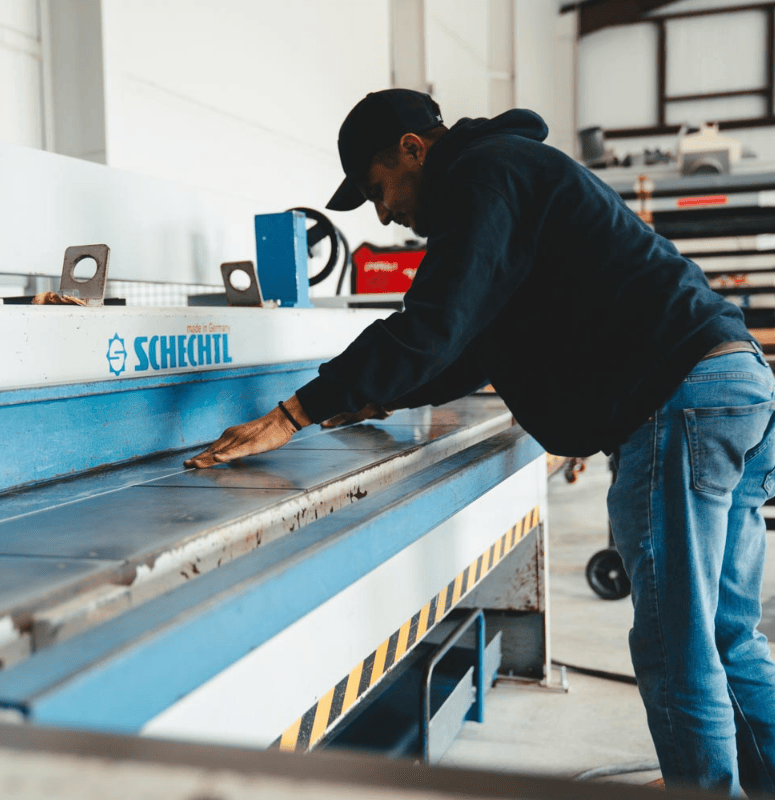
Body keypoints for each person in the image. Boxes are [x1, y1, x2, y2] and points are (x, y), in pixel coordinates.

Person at [184, 88, 775, 795]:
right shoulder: (514, 171)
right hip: (733, 385)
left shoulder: (481, 176)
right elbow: (467, 350)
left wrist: (296, 411)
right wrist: (368, 394)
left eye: (379, 190)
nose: (385, 215)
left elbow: (433, 323)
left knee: (676, 646)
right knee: (726, 637)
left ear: (413, 147)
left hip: (678, 403)